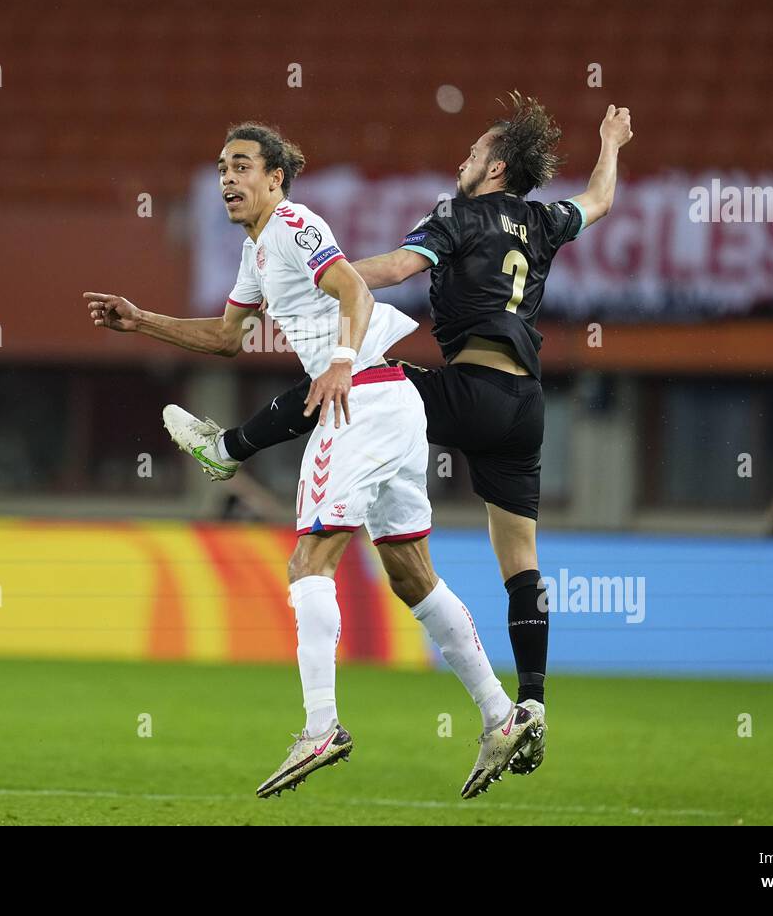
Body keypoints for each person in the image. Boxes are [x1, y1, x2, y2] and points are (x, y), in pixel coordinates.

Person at [164, 96, 635, 777]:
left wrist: (325, 269)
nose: (462, 162)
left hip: (466, 390)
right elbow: (599, 199)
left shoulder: (458, 213)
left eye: (473, 154)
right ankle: (525, 705)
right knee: (516, 564)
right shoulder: (541, 220)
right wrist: (612, 141)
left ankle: (230, 448)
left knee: (366, 377)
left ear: (494, 166)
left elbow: (394, 273)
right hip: (527, 402)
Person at [85, 122, 531, 800]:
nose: (227, 180)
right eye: (220, 168)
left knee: (308, 562)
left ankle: (321, 725)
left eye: (241, 167)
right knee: (412, 577)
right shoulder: (255, 250)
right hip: (393, 403)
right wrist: (141, 319)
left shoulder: (294, 224)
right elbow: (228, 339)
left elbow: (354, 290)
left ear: (275, 179)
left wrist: (343, 364)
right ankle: (501, 716)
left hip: (361, 399)